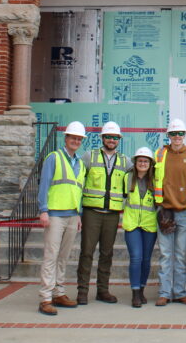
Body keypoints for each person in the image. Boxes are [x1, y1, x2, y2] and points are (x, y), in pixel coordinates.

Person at [77, 121, 130, 304]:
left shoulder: (125, 161)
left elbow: (139, 175)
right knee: (87, 252)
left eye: (115, 137)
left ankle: (103, 290)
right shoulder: (89, 157)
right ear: (102, 138)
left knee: (107, 253)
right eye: (108, 136)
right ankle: (82, 291)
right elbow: (77, 183)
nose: (111, 140)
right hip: (92, 212)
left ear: (119, 140)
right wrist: (77, 210)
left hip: (112, 214)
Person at [37, 121, 86, 316]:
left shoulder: (80, 163)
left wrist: (79, 214)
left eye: (79, 139)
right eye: (73, 137)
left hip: (72, 215)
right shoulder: (54, 158)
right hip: (55, 215)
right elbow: (44, 185)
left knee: (63, 257)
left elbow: (78, 190)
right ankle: (46, 298)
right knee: (51, 256)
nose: (75, 141)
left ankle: (59, 292)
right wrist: (43, 210)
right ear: (66, 138)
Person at [154, 118, 186, 306]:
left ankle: (180, 292)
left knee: (180, 254)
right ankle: (165, 292)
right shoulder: (159, 154)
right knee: (166, 254)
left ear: (185, 135)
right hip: (165, 210)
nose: (177, 137)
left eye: (180, 134)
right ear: (169, 136)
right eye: (174, 134)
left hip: (184, 211)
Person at [124, 146, 158, 308]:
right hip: (132, 224)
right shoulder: (127, 178)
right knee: (136, 257)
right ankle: (135, 292)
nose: (143, 163)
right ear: (135, 162)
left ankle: (142, 289)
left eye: (146, 161)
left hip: (149, 224)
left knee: (146, 259)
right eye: (140, 160)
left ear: (150, 164)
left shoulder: (156, 180)